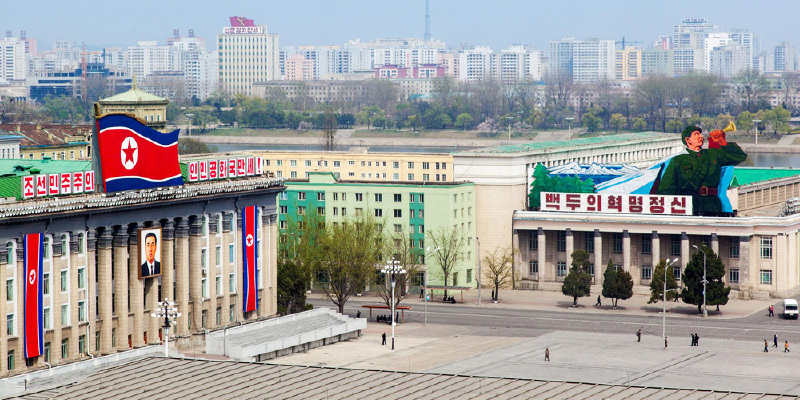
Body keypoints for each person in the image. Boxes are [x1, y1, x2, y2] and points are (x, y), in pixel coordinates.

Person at [655, 125, 746, 216]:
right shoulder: (678, 160)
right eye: (696, 134)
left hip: (711, 205)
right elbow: (666, 188)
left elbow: (741, 156)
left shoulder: (713, 154)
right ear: (688, 140)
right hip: (688, 206)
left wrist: (722, 142)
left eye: (701, 134)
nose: (701, 137)